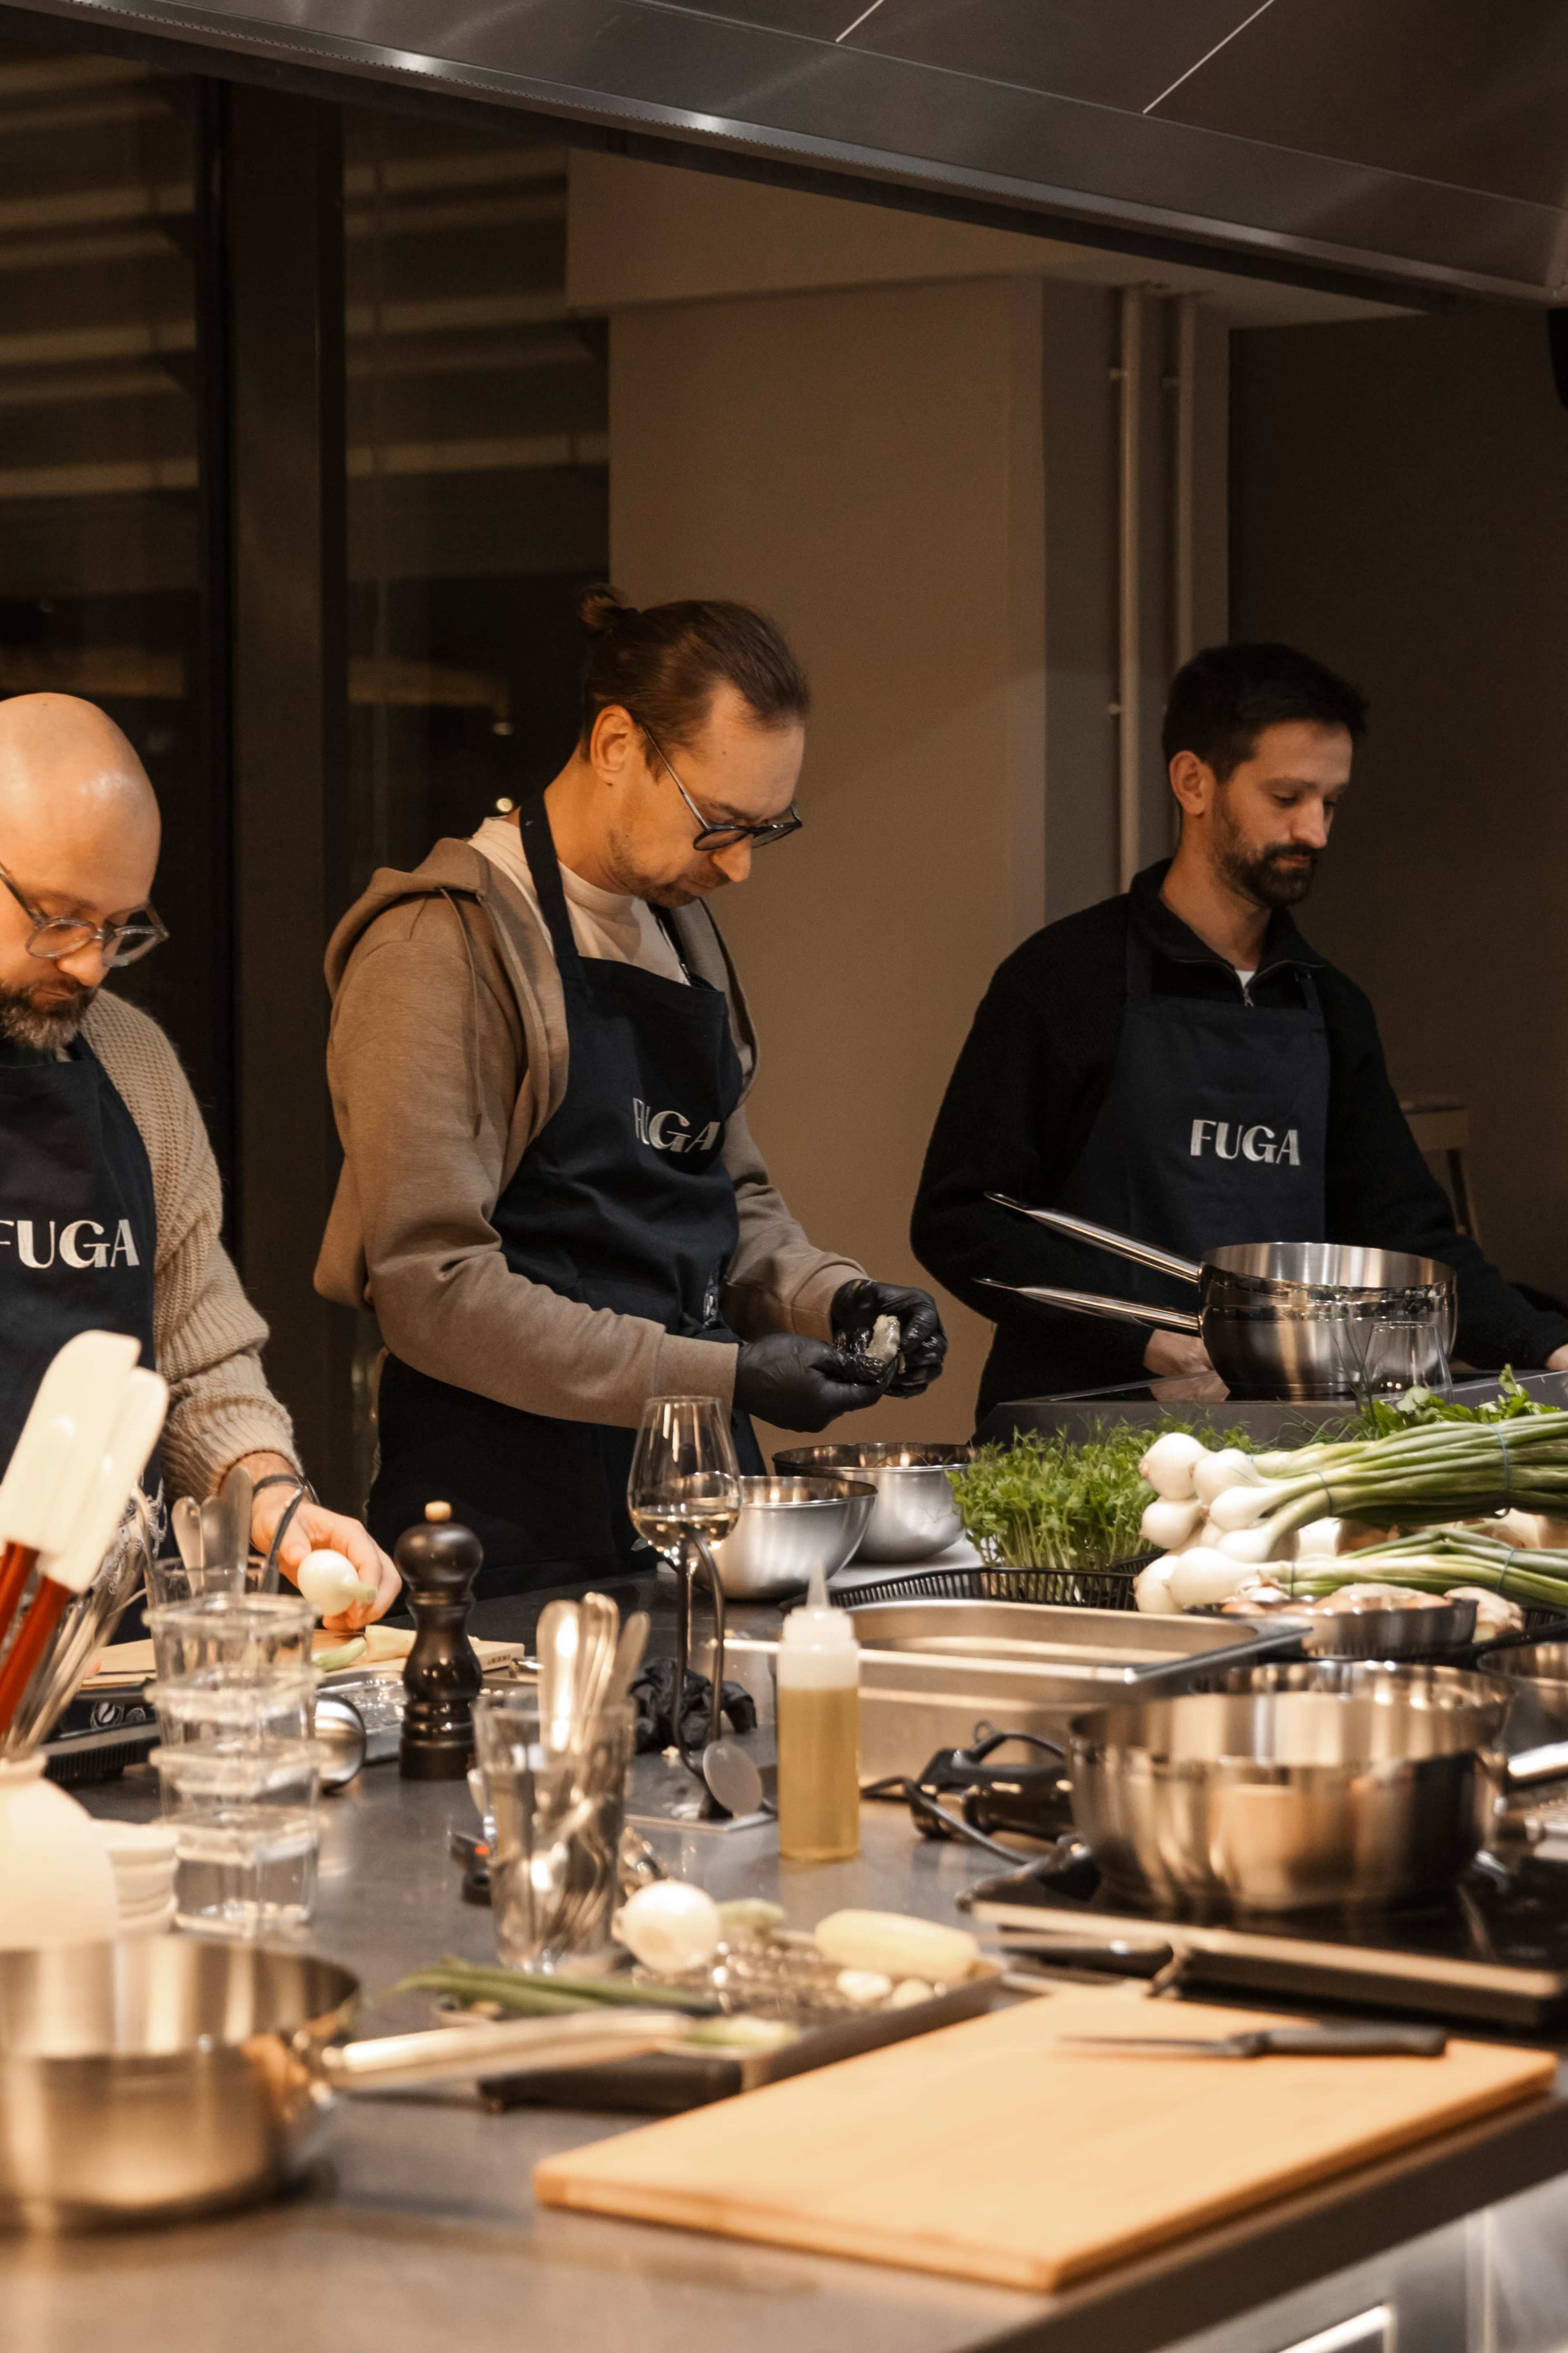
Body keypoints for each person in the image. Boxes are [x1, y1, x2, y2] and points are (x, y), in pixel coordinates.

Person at [317, 586, 947, 1594]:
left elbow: (729, 1202)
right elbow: (432, 1290)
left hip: (695, 1499)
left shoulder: (680, 929)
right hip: (510, 1518)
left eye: (767, 828)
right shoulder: (440, 946)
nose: (739, 866)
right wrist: (726, 1379)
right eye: (719, 823)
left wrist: (838, 1301)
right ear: (616, 745)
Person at [912, 641, 1568, 1420]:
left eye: (1331, 803)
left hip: (1276, 1446)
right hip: (1077, 1434)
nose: (1316, 831)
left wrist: (1544, 1346)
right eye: (1288, 797)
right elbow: (964, 1220)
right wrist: (1146, 1335)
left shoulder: (1330, 1008)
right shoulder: (1063, 979)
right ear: (1194, 782)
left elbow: (1411, 1242)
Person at [0, 693, 399, 1624]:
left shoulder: (130, 1063)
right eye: (60, 919)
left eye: (118, 927)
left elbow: (199, 1356)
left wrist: (270, 1497)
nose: (92, 967)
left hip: (102, 1659)